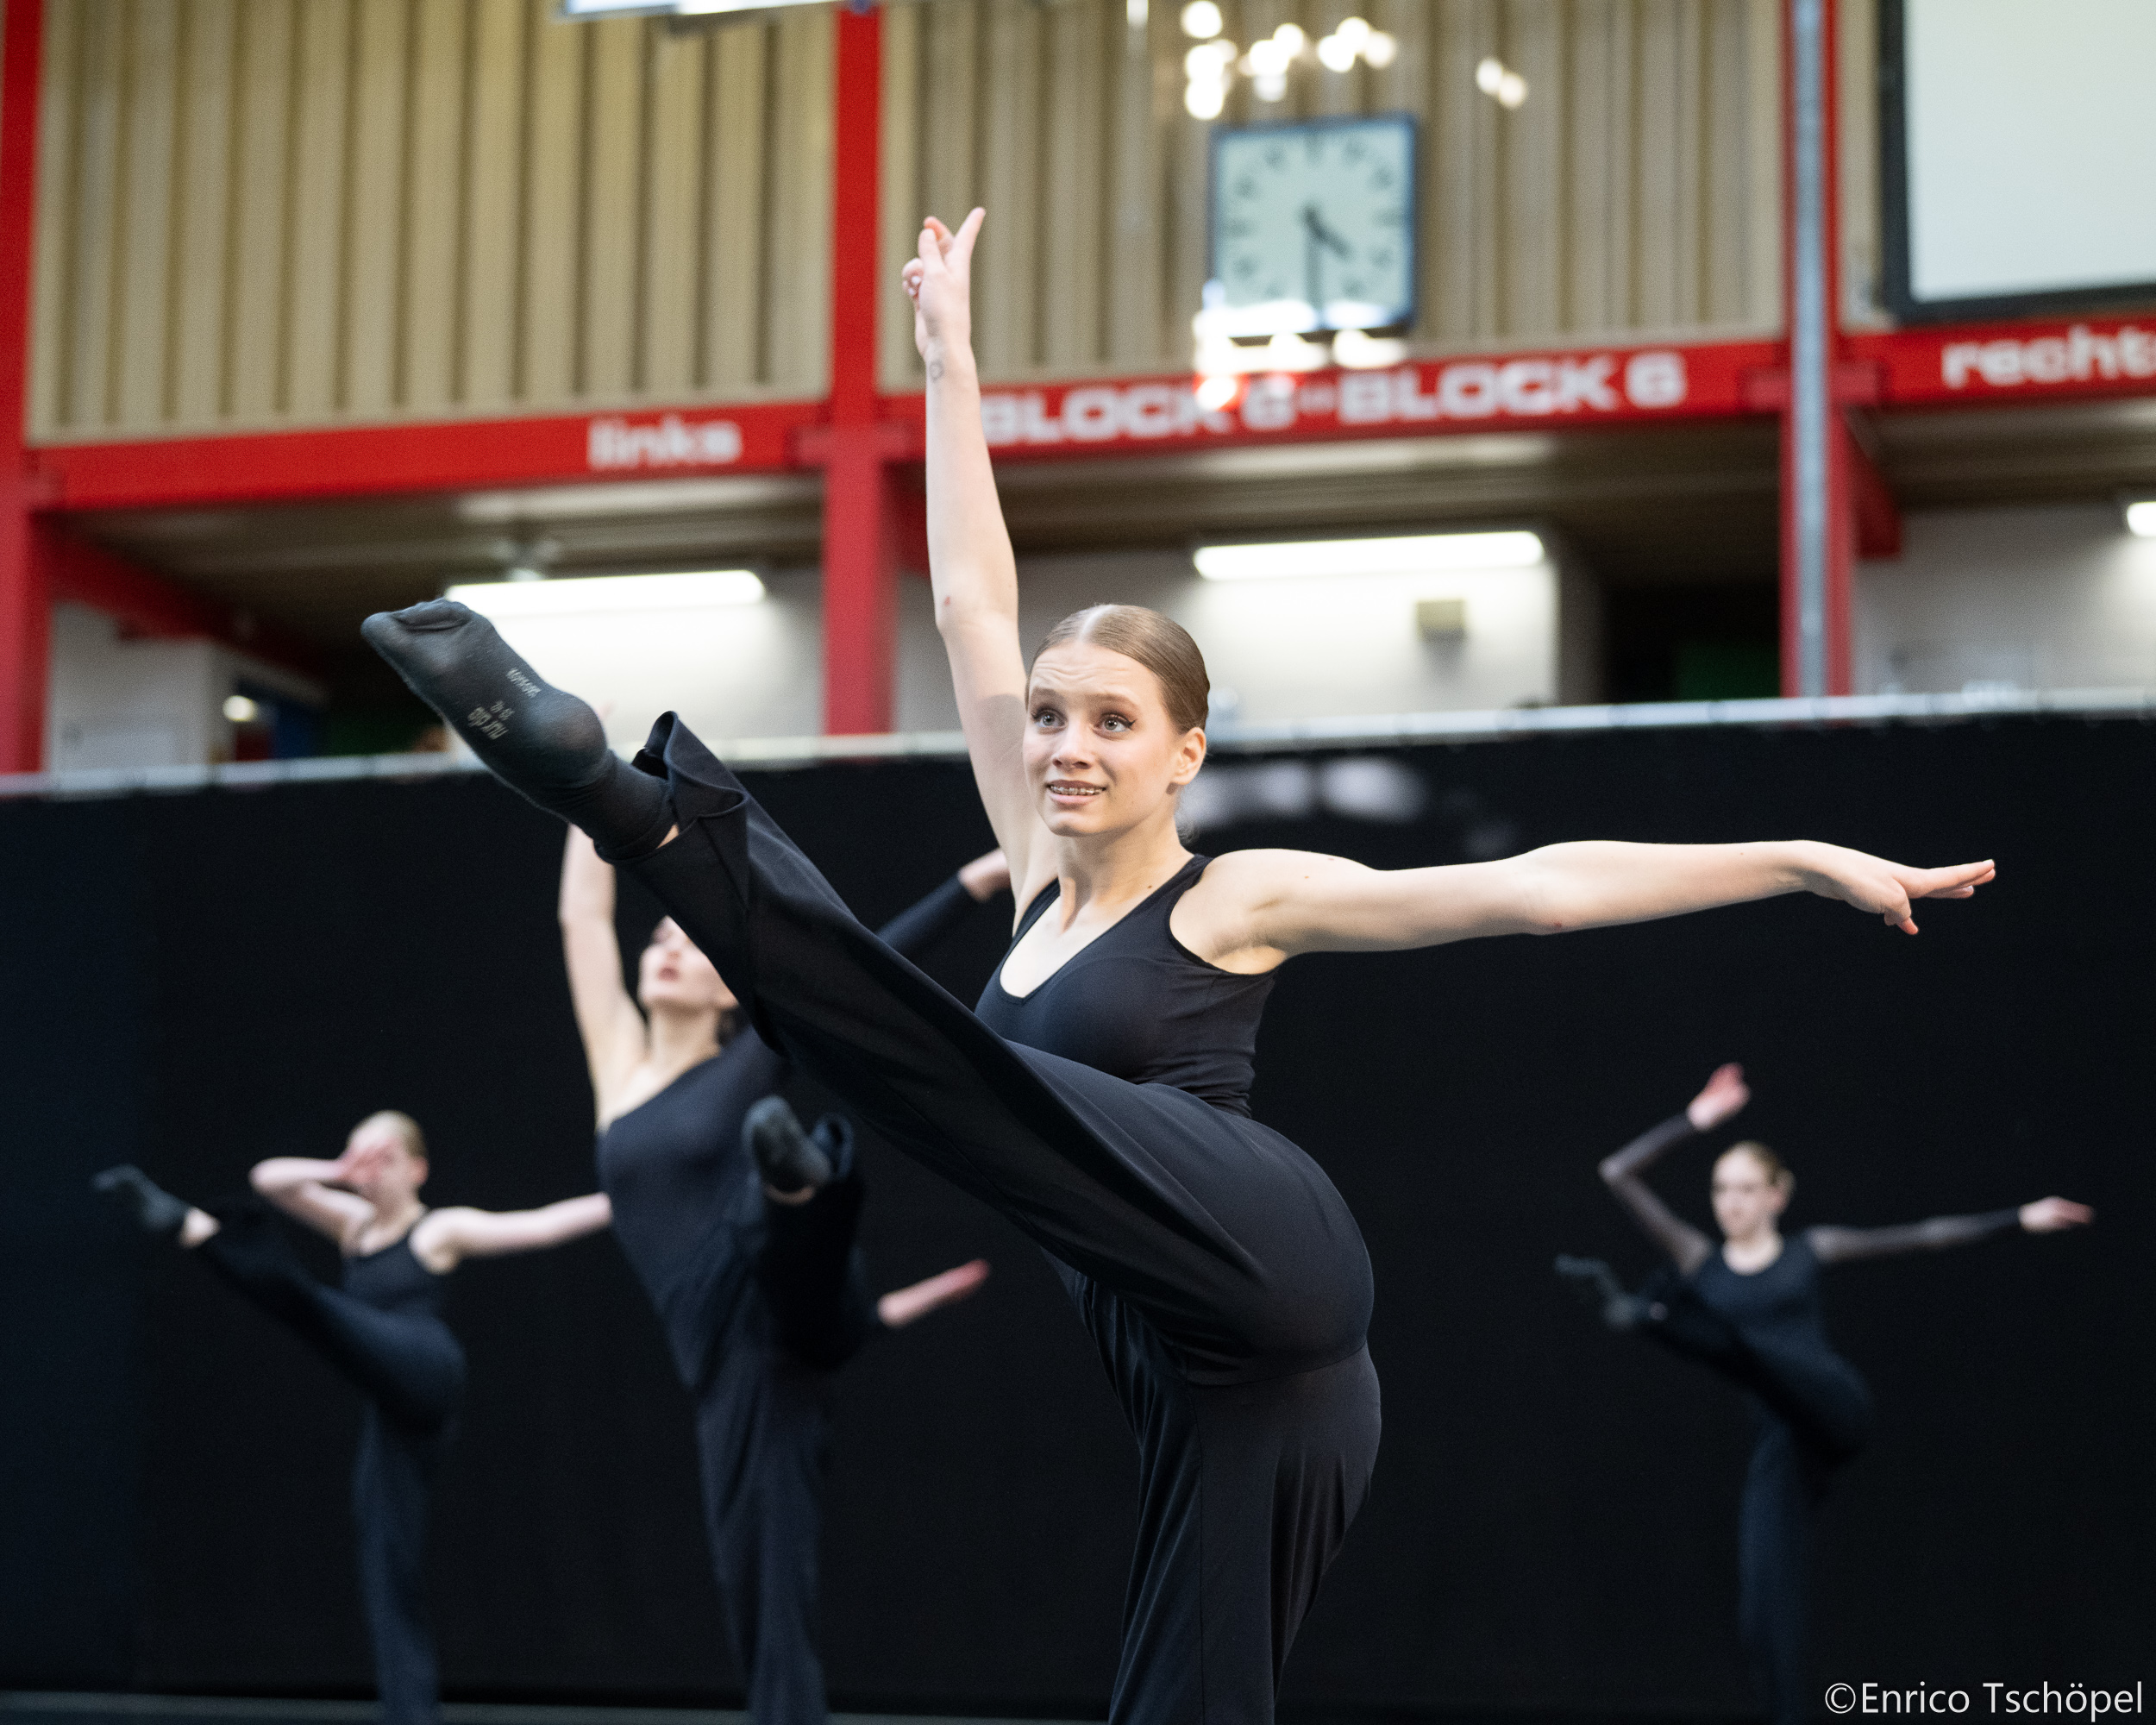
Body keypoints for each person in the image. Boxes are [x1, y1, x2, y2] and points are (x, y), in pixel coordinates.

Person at [358, 204, 1995, 1723]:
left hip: (1263, 1249)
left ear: (1185, 752)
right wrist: (951, 365)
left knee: (942, 1065)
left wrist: (1800, 858)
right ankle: (647, 821)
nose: (1064, 746)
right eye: (1050, 719)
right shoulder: (1032, 864)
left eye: (1110, 723)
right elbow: (969, 599)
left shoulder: (1238, 893)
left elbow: (1538, 892)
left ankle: (622, 800)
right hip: (1216, 1374)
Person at [558, 827, 994, 1723]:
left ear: (728, 986)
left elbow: (855, 970)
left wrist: (973, 883)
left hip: (769, 1317)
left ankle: (803, 1177)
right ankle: (803, 1181)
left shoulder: (750, 1053)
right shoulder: (619, 1068)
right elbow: (582, 916)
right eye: (659, 938)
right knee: (755, 1583)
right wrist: (578, 782)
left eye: (690, 943)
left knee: (783, 1202)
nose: (667, 948)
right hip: (734, 1357)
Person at [1558, 1063, 2093, 1725]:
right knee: (1762, 1608)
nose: (1731, 1203)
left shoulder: (1809, 1251)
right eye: (1721, 1189)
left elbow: (1923, 1235)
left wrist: (2019, 1218)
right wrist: (1695, 1119)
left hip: (1834, 1406)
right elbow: (1617, 1173)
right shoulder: (1702, 1260)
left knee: (1736, 1344)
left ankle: (1649, 1316)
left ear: (1777, 1196)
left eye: (1746, 1189)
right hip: (1785, 1441)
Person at [94, 1114, 611, 1725]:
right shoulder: (352, 1223)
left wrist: (631, 1191)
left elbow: (544, 1226)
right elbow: (269, 1179)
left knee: (312, 1306)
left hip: (426, 1370)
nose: (371, 1169)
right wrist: (337, 1170)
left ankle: (197, 1229)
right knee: (386, 1562)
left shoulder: (439, 1229)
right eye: (361, 1155)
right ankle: (411, 1716)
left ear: (417, 1169)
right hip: (388, 1401)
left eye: (385, 1157)